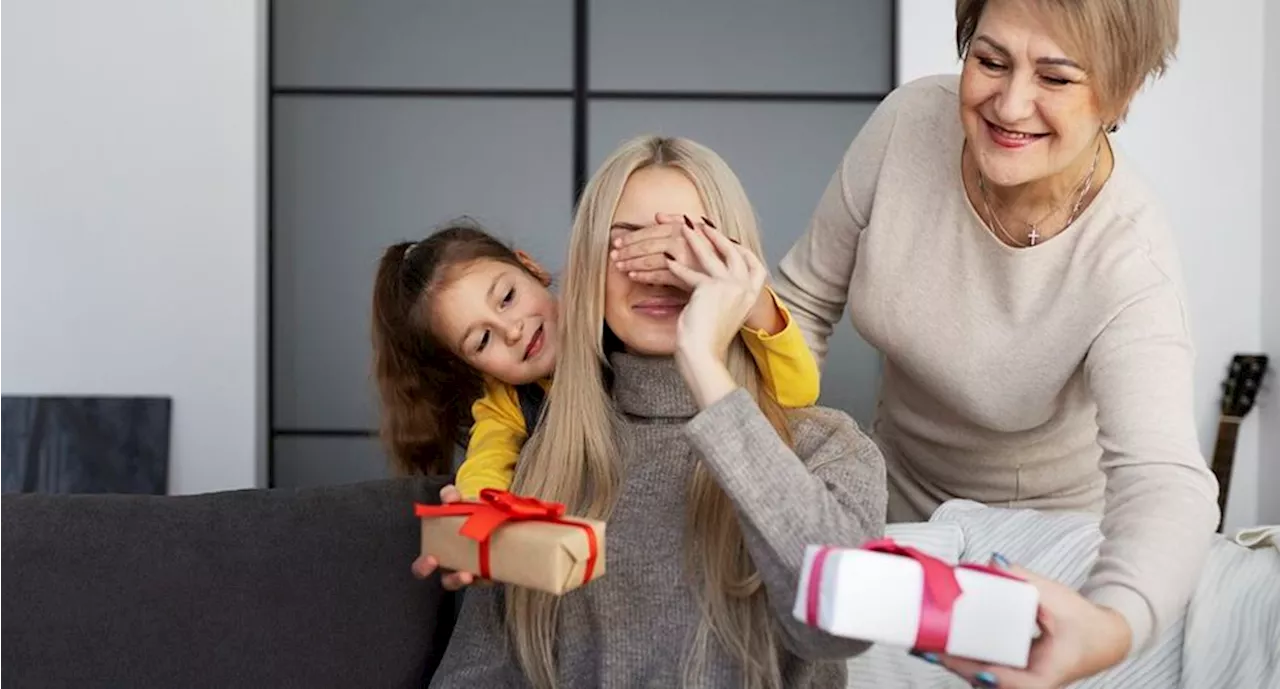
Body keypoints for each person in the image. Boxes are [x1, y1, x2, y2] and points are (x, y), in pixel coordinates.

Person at [754, 0, 1217, 686]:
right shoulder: (908, 125)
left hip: (1044, 551)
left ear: (1121, 92)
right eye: (991, 61)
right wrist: (757, 469)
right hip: (893, 514)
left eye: (1056, 78)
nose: (1010, 103)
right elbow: (799, 305)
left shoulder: (1129, 264)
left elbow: (1164, 479)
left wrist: (1113, 621)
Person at [425, 134, 888, 689]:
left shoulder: (826, 447)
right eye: (629, 244)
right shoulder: (537, 464)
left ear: (737, 266)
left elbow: (842, 624)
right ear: (588, 267)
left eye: (688, 243)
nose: (658, 268)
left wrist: (703, 360)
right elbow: (476, 674)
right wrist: (475, 526)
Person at [369, 219, 821, 496]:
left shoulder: (627, 323)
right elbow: (486, 468)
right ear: (469, 365)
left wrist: (752, 299)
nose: (511, 330)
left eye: (506, 297)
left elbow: (796, 392)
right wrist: (480, 511)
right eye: (481, 341)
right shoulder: (508, 404)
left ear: (531, 268)